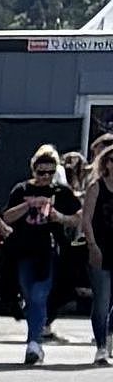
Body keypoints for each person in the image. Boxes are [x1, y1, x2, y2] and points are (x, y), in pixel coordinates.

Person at [0, 143, 75, 367]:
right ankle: (35, 337)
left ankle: (33, 343)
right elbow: (7, 216)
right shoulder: (22, 190)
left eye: (51, 173)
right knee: (30, 295)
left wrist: (58, 217)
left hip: (48, 250)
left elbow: (78, 215)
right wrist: (28, 205)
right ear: (33, 170)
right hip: (22, 250)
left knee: (40, 295)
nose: (45, 177)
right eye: (41, 172)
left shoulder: (60, 192)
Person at [86, 135, 113, 366]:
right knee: (102, 300)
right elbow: (86, 220)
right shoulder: (97, 187)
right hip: (102, 248)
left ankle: (110, 337)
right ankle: (101, 346)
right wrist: (93, 246)